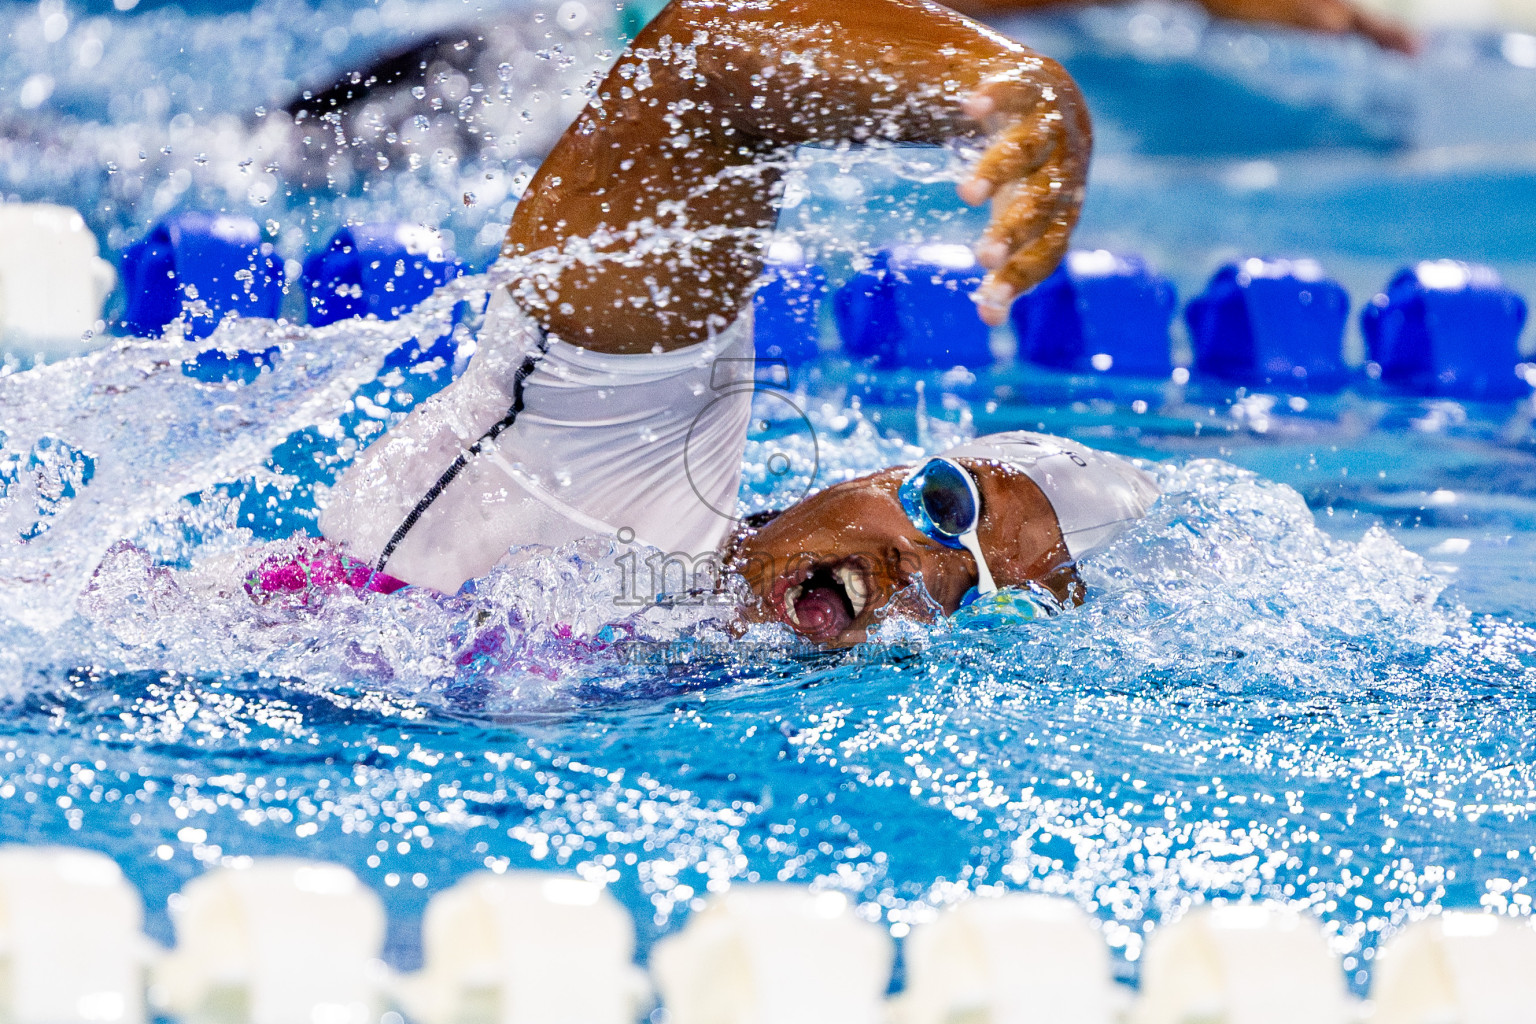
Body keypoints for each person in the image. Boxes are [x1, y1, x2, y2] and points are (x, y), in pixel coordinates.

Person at [315, 0, 1158, 647]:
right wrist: (1014, 83)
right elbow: (707, 61)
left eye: (976, 593)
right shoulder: (621, 445)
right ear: (872, 473)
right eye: (946, 503)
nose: (924, 568)